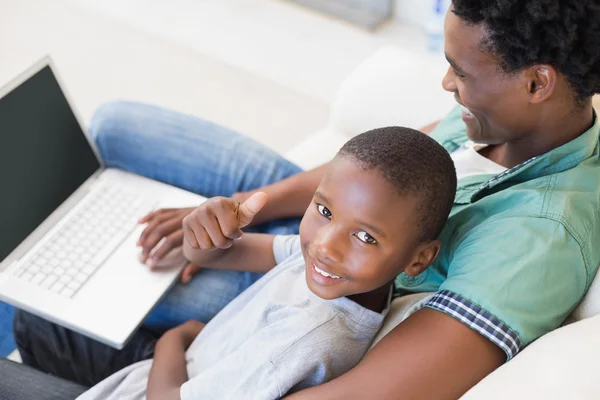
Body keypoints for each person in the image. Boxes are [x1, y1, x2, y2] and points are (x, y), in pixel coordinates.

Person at [10, 0, 600, 398]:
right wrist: (249, 206)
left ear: (537, 82)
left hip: (336, 285)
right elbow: (382, 160)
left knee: (61, 283)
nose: (448, 85)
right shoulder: (496, 117)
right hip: (345, 228)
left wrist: (181, 340)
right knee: (117, 124)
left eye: (460, 71)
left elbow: (372, 389)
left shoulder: (541, 239)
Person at [76, 127, 456, 400]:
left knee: (40, 327)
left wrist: (173, 338)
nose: (325, 245)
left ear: (419, 258)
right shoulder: (326, 268)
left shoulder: (307, 339)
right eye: (324, 210)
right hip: (187, 368)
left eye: (365, 237)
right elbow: (225, 254)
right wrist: (204, 232)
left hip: (158, 380)